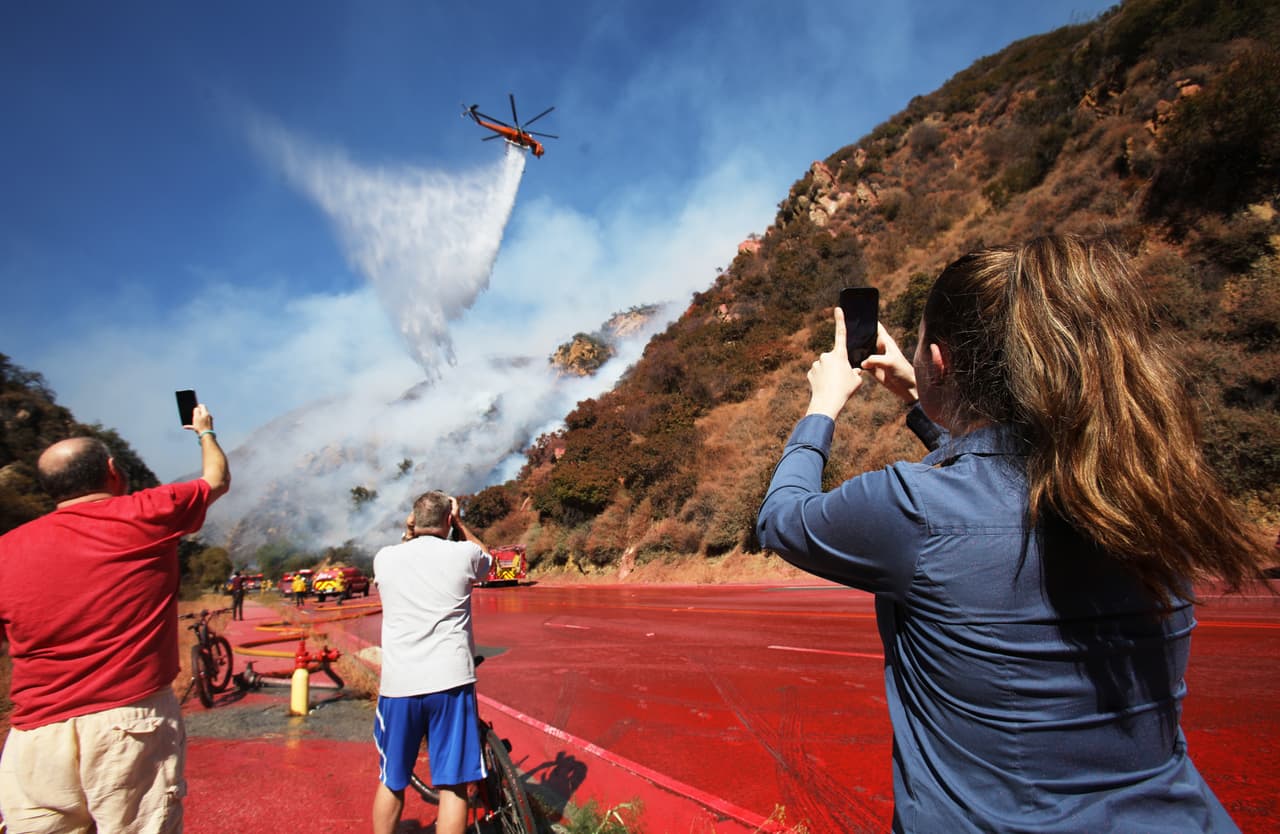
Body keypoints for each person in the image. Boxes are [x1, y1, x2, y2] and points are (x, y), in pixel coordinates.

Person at [756, 235, 1269, 833]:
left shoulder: (912, 509)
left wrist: (823, 404)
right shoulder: (1147, 487)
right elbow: (1010, 473)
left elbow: (782, 518)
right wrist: (919, 396)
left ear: (940, 360)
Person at [0, 402, 230, 834]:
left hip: (34, 739)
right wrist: (204, 431)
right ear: (112, 470)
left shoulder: (6, 548)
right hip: (128, 722)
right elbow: (215, 479)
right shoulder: (146, 513)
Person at [371, 490, 492, 834]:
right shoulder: (463, 554)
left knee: (392, 779)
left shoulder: (385, 558)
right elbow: (489, 562)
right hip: (451, 682)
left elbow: (408, 546)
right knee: (453, 784)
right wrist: (461, 524)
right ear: (448, 520)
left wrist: (410, 529)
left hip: (399, 685)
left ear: (412, 520)